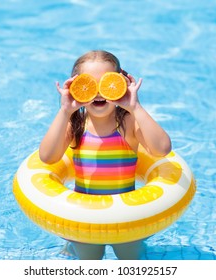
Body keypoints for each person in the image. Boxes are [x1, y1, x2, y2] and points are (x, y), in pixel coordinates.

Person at [39, 50, 172, 259]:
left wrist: (135, 106)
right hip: (85, 219)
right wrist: (65, 111)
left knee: (133, 261)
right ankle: (69, 247)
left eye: (107, 83)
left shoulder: (128, 124)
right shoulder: (75, 125)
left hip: (127, 219)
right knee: (89, 261)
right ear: (75, 87)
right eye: (88, 84)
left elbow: (162, 149)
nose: (99, 92)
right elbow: (47, 157)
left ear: (122, 83)